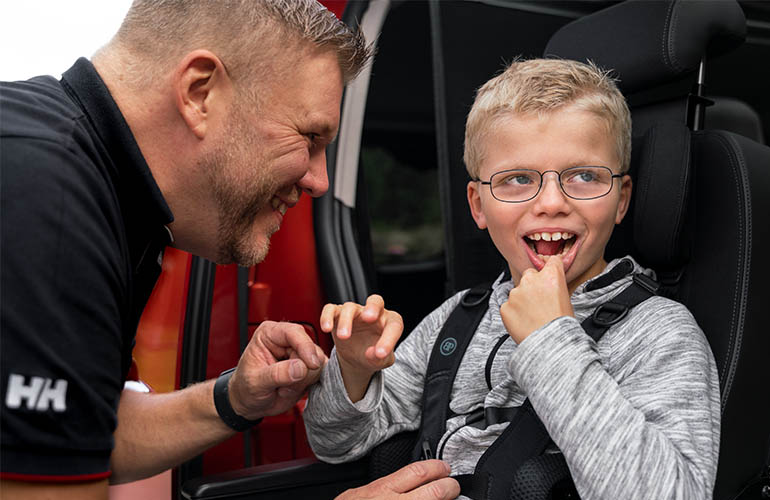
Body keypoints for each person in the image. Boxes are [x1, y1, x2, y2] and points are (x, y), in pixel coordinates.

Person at [0, 1, 460, 499]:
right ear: (200, 92)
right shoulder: (50, 199)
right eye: (308, 137)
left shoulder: (106, 189)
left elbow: (81, 434)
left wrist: (235, 400)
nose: (320, 180)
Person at [304, 58, 721, 499]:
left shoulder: (659, 333)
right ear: (478, 205)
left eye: (584, 176)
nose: (551, 202)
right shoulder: (459, 318)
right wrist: (351, 370)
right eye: (518, 179)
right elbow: (335, 443)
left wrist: (551, 341)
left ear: (621, 200)